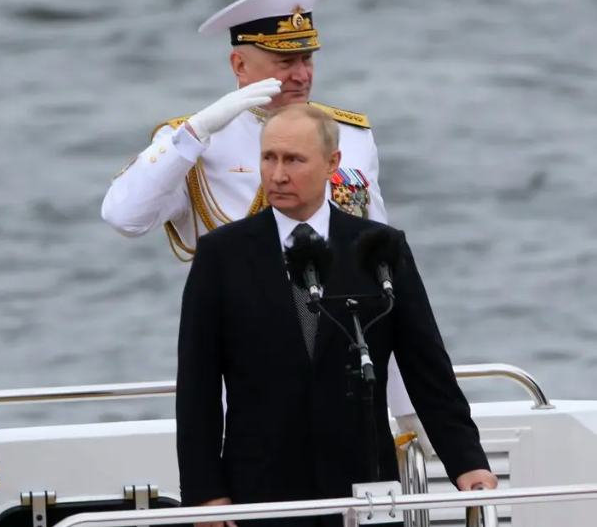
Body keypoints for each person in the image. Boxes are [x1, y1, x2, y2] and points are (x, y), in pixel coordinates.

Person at [99, 0, 433, 456]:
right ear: (240, 65)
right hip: (248, 381)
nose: (300, 75)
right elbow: (123, 216)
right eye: (283, 61)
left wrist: (407, 409)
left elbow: (382, 275)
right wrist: (194, 134)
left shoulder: (350, 136)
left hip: (344, 372)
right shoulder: (197, 143)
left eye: (307, 59)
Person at [175, 104, 496, 527]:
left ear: (332, 163)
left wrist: (468, 462)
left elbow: (427, 367)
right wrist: (204, 495)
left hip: (365, 485)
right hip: (262, 492)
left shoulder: (379, 247)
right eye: (269, 158)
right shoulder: (221, 255)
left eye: (294, 160)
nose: (277, 175)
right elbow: (196, 385)